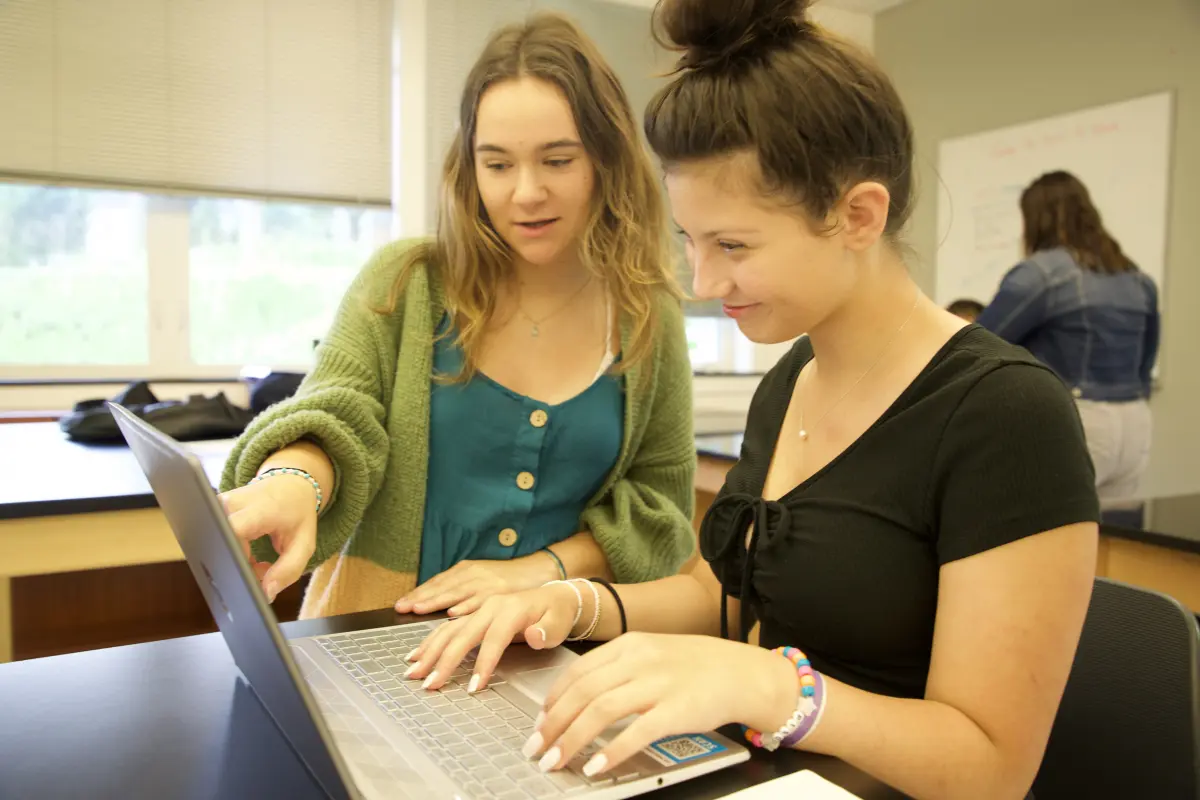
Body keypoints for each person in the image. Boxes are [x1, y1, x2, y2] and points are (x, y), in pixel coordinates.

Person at [406, 1, 1100, 798]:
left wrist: (776, 690)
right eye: (691, 243)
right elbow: (721, 594)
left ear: (858, 215)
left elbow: (991, 768)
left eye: (734, 245)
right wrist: (572, 603)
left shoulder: (1005, 417)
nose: (703, 284)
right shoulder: (790, 381)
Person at [217, 12, 697, 621]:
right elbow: (335, 411)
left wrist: (538, 574)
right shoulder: (407, 282)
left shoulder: (648, 313)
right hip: (380, 630)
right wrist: (293, 484)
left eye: (557, 160)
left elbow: (662, 506)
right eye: (497, 164)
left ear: (607, 159)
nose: (525, 193)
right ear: (469, 168)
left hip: (560, 649)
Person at [977, 170, 1160, 507]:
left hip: (1077, 420)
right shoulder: (1137, 277)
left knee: (1044, 538)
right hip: (1134, 424)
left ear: (1035, 220)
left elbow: (980, 345)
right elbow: (1146, 362)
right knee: (1112, 549)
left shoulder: (1041, 274)